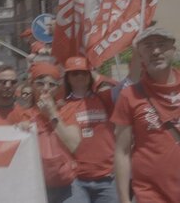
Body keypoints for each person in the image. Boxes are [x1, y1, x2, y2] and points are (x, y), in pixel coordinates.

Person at [112, 26, 180, 203]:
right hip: (151, 195)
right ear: (140, 55)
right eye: (148, 46)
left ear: (173, 49)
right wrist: (124, 199)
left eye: (161, 44)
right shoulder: (129, 96)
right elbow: (122, 151)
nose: (156, 51)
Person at [21, 62, 82, 203]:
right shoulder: (22, 114)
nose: (45, 89)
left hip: (67, 185)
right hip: (37, 186)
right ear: (32, 85)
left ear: (58, 88)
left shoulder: (68, 111)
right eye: (40, 83)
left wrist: (52, 114)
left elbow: (74, 145)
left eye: (51, 84)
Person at [60, 56, 118, 203]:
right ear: (67, 78)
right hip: (76, 181)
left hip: (108, 178)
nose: (79, 76)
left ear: (90, 75)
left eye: (83, 72)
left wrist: (94, 72)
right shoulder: (62, 107)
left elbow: (120, 86)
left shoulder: (104, 98)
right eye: (74, 73)